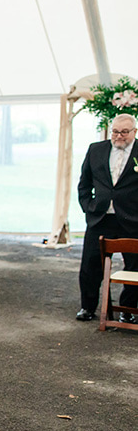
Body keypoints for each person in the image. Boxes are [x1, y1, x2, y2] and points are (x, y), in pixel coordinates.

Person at [75, 113, 138, 322]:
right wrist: (88, 206)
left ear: (134, 132)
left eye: (124, 132)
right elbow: (84, 183)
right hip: (100, 217)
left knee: (135, 266)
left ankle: (127, 310)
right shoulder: (96, 149)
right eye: (115, 131)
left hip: (132, 219)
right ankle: (88, 307)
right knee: (90, 265)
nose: (119, 136)